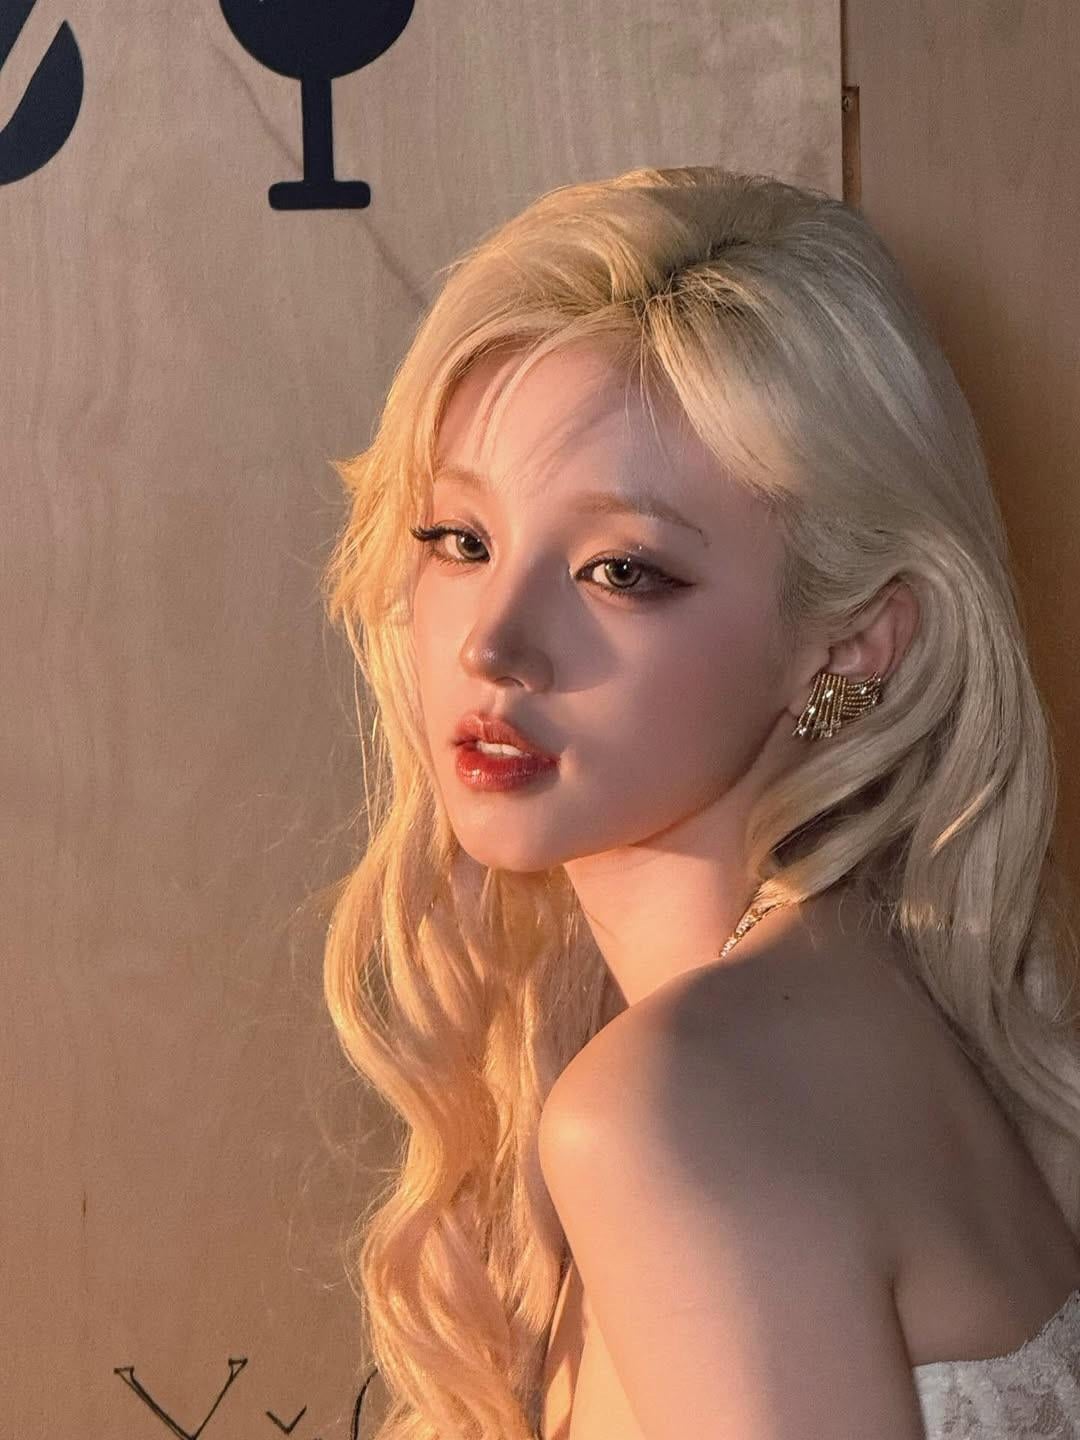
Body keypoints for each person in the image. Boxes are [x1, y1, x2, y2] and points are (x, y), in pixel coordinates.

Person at [319, 166, 1080, 1440]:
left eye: (621, 571)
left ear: (852, 639)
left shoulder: (677, 1114)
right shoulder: (885, 998)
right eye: (461, 540)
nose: (494, 644)